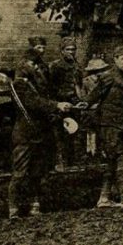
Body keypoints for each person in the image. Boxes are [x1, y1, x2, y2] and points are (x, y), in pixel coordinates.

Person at [7, 42, 72, 220]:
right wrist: (56, 105)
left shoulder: (41, 85)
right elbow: (33, 102)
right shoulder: (20, 85)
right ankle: (13, 209)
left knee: (38, 172)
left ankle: (35, 205)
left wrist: (59, 111)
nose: (36, 68)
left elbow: (44, 101)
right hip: (25, 133)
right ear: (25, 64)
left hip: (41, 133)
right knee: (20, 173)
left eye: (37, 65)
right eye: (32, 64)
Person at [94, 45, 123, 208]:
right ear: (115, 59)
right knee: (121, 158)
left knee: (112, 161)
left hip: (119, 124)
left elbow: (121, 102)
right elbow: (93, 98)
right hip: (109, 124)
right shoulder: (108, 77)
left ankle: (104, 197)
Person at [49, 37, 84, 171]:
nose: (71, 52)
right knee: (59, 134)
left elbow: (78, 85)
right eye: (68, 50)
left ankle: (72, 161)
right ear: (62, 51)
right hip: (60, 104)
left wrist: (79, 100)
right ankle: (60, 163)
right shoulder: (56, 66)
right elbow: (51, 88)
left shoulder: (77, 66)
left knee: (74, 132)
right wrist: (58, 103)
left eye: (73, 50)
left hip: (74, 104)